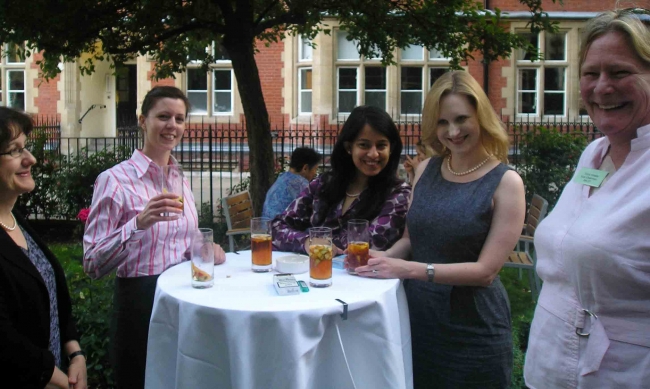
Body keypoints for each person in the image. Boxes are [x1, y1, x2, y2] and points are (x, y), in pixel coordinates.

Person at [356, 70, 525, 388]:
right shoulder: (426, 169)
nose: (453, 131)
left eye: (462, 119)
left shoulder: (506, 182)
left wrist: (408, 269)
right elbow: (410, 237)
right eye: (443, 122)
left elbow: (485, 272)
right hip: (417, 319)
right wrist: (382, 257)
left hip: (472, 329)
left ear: (481, 117)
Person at [524, 8, 650, 388]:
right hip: (547, 365)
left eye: (620, 72)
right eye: (591, 74)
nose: (602, 87)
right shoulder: (594, 153)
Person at [83, 86, 226, 389]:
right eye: (163, 116)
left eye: (179, 118)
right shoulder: (115, 180)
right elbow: (92, 263)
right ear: (142, 120)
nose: (172, 125)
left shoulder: (179, 177)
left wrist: (206, 248)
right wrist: (138, 223)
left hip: (185, 299)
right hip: (141, 303)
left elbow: (180, 241)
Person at [0, 107, 87, 389]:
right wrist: (63, 381)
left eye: (25, 147)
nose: (31, 159)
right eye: (14, 151)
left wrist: (75, 353)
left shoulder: (15, 220)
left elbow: (53, 297)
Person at [272, 105, 411, 254]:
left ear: (391, 148)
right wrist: (307, 241)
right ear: (349, 147)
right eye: (364, 145)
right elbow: (276, 227)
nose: (373, 154)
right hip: (314, 274)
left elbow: (368, 245)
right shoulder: (323, 184)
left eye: (381, 145)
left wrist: (318, 243)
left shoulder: (398, 195)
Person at [262, 147, 320, 219]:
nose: (315, 173)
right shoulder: (301, 184)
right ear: (305, 168)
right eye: (315, 169)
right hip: (282, 228)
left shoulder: (282, 177)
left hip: (266, 226)